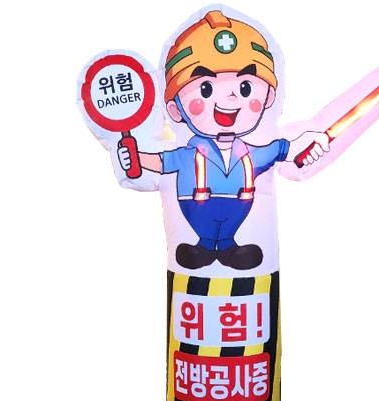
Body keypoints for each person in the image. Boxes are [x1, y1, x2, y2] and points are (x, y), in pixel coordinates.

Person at [117, 10, 329, 270]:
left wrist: (305, 141)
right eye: (205, 89)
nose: (230, 98)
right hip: (197, 212)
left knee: (234, 245)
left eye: (245, 88)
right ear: (175, 110)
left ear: (269, 97)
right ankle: (204, 247)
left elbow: (280, 149)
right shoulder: (188, 154)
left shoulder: (249, 153)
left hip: (238, 212)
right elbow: (162, 161)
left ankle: (228, 247)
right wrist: (135, 158)